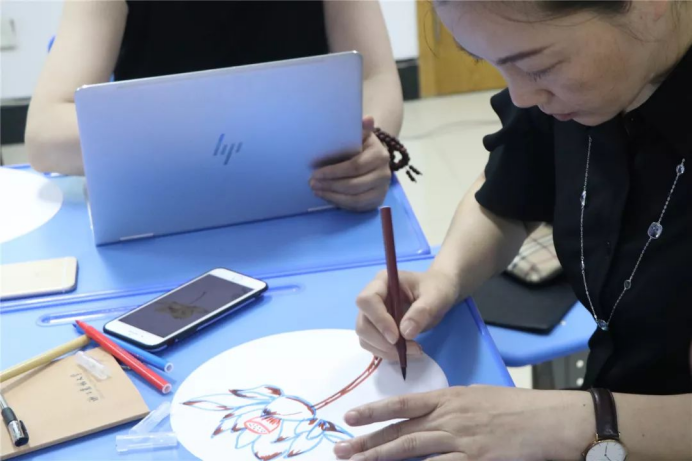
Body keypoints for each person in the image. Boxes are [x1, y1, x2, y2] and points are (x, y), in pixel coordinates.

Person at [343, 1, 692, 460]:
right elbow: (508, 193)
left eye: (537, 66)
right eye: (491, 63)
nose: (521, 97)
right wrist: (444, 278)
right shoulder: (573, 91)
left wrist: (565, 422)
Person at [25, 0, 403, 213]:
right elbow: (46, 134)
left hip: (314, 203)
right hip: (164, 213)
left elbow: (375, 79)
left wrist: (371, 150)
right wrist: (210, 139)